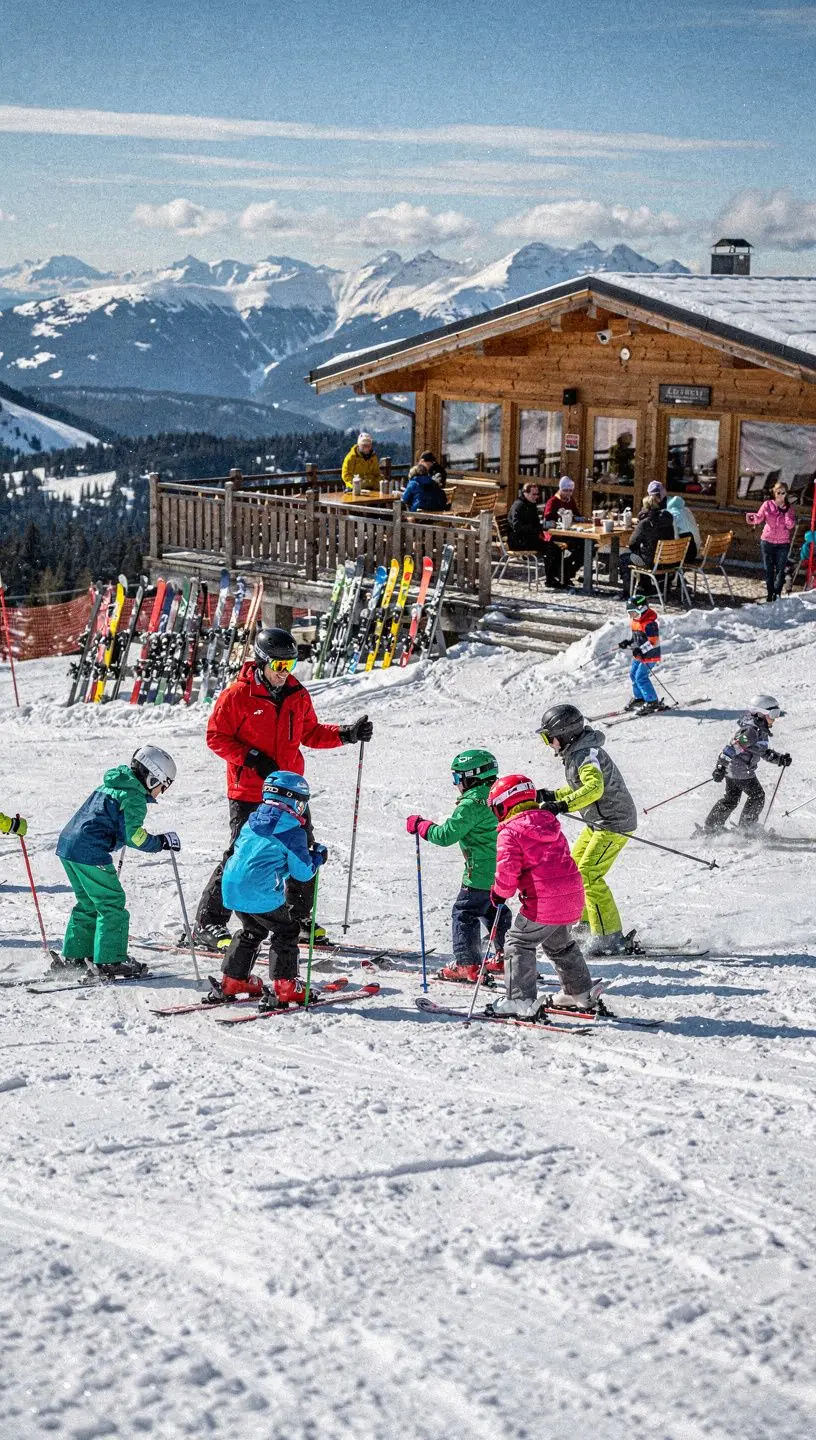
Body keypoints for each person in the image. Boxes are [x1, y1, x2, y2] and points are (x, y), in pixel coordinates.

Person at [194, 627, 372, 952]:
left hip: (289, 792)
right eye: (278, 666)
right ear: (261, 662)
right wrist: (251, 757)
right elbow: (215, 737)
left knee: (303, 851)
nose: (283, 673)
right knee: (241, 854)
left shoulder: (296, 694)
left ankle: (297, 917)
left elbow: (312, 733)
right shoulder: (237, 695)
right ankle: (209, 922)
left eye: (289, 666)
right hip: (249, 790)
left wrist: (346, 733)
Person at [207, 772, 328, 1009]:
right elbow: (302, 873)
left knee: (252, 929)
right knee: (286, 930)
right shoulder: (292, 831)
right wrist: (316, 858)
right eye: (302, 803)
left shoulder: (251, 821)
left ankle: (233, 980)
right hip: (259, 893)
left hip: (231, 889)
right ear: (293, 801)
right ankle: (285, 984)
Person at [55, 745, 178, 977]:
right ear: (152, 779)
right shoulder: (134, 797)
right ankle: (110, 960)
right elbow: (135, 836)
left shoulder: (113, 784)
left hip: (68, 846)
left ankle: (76, 954)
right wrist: (160, 842)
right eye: (164, 785)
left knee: (89, 903)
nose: (162, 792)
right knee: (112, 903)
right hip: (89, 852)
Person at [486, 773, 591, 1017]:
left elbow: (507, 872)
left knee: (518, 942)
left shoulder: (509, 832)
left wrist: (499, 894)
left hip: (544, 902)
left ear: (505, 805)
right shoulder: (550, 824)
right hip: (572, 897)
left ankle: (520, 1000)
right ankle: (580, 992)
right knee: (560, 944)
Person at [536, 704, 637, 956]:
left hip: (614, 822)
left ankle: (609, 937)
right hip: (598, 822)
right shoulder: (576, 753)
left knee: (589, 874)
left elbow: (594, 787)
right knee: (574, 871)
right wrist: (552, 794)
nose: (549, 743)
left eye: (550, 738)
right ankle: (586, 925)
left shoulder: (586, 755)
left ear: (566, 734)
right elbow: (578, 787)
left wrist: (562, 805)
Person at [406, 749, 510, 983]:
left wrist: (422, 826)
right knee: (495, 909)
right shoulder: (501, 796)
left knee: (465, 913)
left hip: (480, 873)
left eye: (457, 779)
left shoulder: (471, 804)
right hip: (504, 868)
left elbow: (446, 835)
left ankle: (467, 964)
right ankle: (506, 957)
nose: (456, 785)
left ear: (471, 777)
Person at [703, 695, 791, 833]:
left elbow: (762, 751)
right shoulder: (751, 731)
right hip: (740, 772)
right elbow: (731, 748)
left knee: (731, 799)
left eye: (777, 713)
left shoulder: (759, 730)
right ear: (760, 713)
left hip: (735, 771)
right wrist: (720, 767)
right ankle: (747, 828)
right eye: (773, 714)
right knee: (757, 796)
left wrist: (779, 759)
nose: (775, 718)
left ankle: (711, 826)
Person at [507, 482, 571, 587]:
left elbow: (536, 523)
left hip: (529, 538)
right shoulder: (518, 505)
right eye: (534, 494)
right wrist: (537, 528)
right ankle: (550, 580)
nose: (536, 497)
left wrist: (543, 527)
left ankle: (560, 577)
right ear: (525, 493)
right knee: (551, 549)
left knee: (555, 548)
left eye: (537, 494)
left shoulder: (531, 504)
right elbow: (517, 527)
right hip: (518, 541)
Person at [617, 482, 674, 596]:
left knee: (624, 558)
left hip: (650, 562)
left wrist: (638, 548)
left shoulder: (645, 523)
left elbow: (632, 543)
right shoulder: (668, 520)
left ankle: (628, 592)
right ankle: (646, 587)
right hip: (667, 561)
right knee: (642, 554)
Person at [747, 481, 797, 602]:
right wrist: (753, 518)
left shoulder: (789, 508)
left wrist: (785, 513)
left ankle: (777, 594)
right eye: (778, 492)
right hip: (767, 541)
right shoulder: (767, 504)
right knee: (769, 570)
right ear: (774, 493)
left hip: (782, 543)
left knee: (780, 570)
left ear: (786, 494)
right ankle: (770, 594)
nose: (780, 495)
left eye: (783, 493)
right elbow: (759, 518)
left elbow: (790, 526)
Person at [617, 594, 662, 714]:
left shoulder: (650, 624)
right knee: (633, 675)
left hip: (650, 655)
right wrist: (628, 643)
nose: (632, 615)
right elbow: (636, 639)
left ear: (642, 609)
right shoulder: (636, 622)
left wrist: (640, 649)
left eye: (634, 612)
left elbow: (653, 642)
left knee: (641, 677)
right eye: (630, 613)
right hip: (640, 655)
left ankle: (652, 701)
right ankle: (640, 699)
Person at [666, 495, 701, 564]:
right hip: (695, 550)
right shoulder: (687, 511)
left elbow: (675, 537)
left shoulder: (673, 514)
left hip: (685, 555)